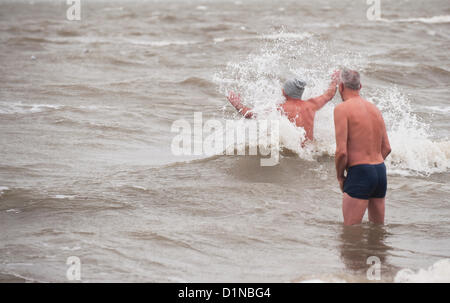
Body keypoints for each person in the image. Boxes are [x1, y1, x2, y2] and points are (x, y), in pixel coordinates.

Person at [333, 68, 391, 226]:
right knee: (378, 232)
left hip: (360, 172)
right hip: (380, 172)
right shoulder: (375, 109)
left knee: (350, 234)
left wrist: (340, 176)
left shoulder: (342, 109)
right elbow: (387, 147)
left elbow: (341, 152)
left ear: (341, 87)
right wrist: (372, 166)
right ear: (360, 87)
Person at [227, 71, 339, 141]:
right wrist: (335, 81)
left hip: (297, 154)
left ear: (284, 92)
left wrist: (237, 104)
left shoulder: (280, 108)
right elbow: (329, 94)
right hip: (310, 150)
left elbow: (249, 114)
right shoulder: (311, 105)